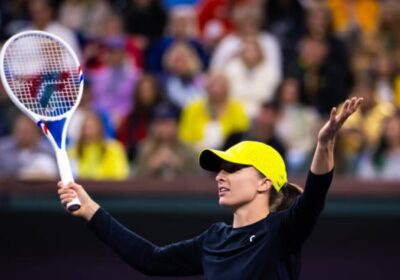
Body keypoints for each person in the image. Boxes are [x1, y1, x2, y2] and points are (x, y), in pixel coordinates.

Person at [58, 97, 362, 279]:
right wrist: (91, 210)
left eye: (232, 168)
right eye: (219, 169)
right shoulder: (213, 238)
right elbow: (150, 259)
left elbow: (315, 195)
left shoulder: (282, 230)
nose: (220, 176)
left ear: (265, 183)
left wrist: (324, 144)